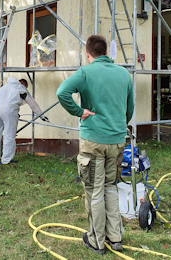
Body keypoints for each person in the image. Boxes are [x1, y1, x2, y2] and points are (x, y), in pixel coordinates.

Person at [56, 35, 134, 254]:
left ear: (88, 54)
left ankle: (97, 241)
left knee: (95, 191)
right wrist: (119, 125)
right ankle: (116, 238)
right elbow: (130, 107)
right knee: (111, 186)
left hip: (93, 141)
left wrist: (80, 112)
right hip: (117, 140)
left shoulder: (86, 72)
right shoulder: (123, 74)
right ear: (107, 53)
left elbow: (62, 92)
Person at [0, 77, 48, 164]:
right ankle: (6, 160)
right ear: (23, 83)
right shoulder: (20, 87)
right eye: (26, 86)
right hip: (10, 110)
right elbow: (31, 102)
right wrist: (42, 115)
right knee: (9, 134)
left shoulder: (4, 87)